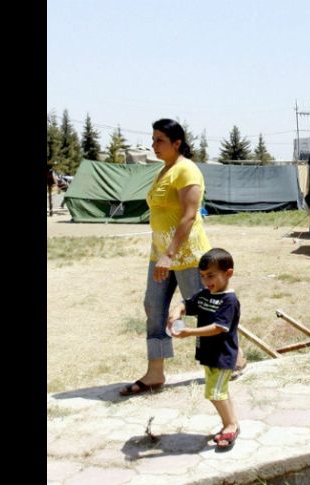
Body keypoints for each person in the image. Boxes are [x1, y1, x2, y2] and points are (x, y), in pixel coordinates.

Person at [120, 119, 218, 396]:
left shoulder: (187, 170)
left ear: (177, 143)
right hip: (160, 255)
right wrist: (162, 254)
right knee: (153, 307)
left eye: (160, 140)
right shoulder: (163, 170)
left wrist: (171, 253)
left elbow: (189, 216)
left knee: (205, 311)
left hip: (188, 255)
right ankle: (155, 373)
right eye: (153, 139)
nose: (154, 145)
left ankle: (228, 360)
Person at [168, 248, 241, 451]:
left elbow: (219, 328)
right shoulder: (205, 294)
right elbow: (186, 304)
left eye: (211, 276)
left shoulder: (229, 301)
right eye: (202, 276)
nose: (206, 281)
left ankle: (230, 425)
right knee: (219, 392)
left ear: (228, 273)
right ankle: (231, 421)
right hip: (208, 354)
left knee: (214, 393)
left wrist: (189, 332)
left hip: (222, 355)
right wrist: (176, 312)